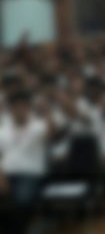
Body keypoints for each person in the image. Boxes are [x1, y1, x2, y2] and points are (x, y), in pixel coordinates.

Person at [0, 91, 52, 233]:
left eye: (23, 106)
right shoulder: (3, 129)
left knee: (22, 201)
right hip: (5, 174)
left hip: (30, 174)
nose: (20, 110)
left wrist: (47, 111)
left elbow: (51, 134)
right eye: (16, 107)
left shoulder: (38, 125)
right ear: (11, 109)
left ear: (29, 108)